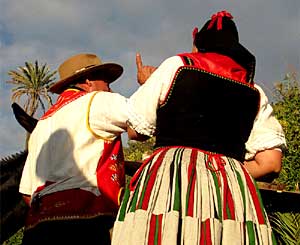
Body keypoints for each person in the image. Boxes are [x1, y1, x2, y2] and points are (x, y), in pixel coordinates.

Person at [112, 11, 286, 244]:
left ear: (197, 46)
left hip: (172, 180)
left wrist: (147, 85)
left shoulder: (178, 66)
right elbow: (271, 164)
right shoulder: (254, 90)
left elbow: (135, 131)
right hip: (229, 190)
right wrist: (226, 171)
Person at [19, 53, 130, 244]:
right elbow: (140, 123)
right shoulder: (97, 100)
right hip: (83, 223)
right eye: (106, 83)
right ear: (88, 82)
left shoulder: (42, 125)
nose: (110, 89)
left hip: (37, 229)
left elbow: (27, 193)